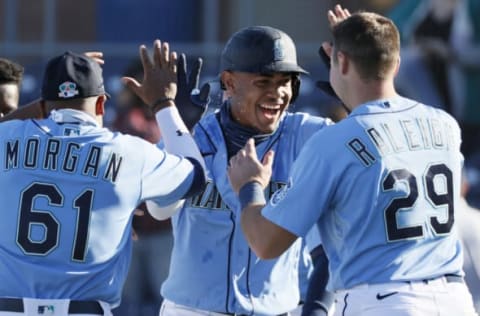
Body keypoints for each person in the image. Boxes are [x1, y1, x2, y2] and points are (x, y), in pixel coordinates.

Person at [227, 7, 478, 316]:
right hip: (455, 299)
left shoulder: (331, 143)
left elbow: (265, 243)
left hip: (383, 301)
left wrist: (250, 187)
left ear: (341, 61)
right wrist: (358, 44)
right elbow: (377, 123)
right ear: (396, 64)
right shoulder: (445, 125)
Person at [0, 41, 207, 316]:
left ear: (44, 103)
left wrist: (48, 100)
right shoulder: (127, 151)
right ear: (101, 102)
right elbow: (195, 176)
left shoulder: (8, 136)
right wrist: (166, 107)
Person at [145, 25, 333, 315]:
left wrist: (352, 91)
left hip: (275, 310)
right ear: (229, 83)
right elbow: (159, 208)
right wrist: (177, 130)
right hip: (192, 310)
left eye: (286, 81)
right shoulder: (191, 135)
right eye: (264, 81)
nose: (278, 93)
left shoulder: (308, 136)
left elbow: (368, 148)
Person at [388, 0, 480, 160]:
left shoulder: (473, 6)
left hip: (470, 114)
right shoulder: (413, 6)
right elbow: (386, 39)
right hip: (425, 118)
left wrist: (452, 54)